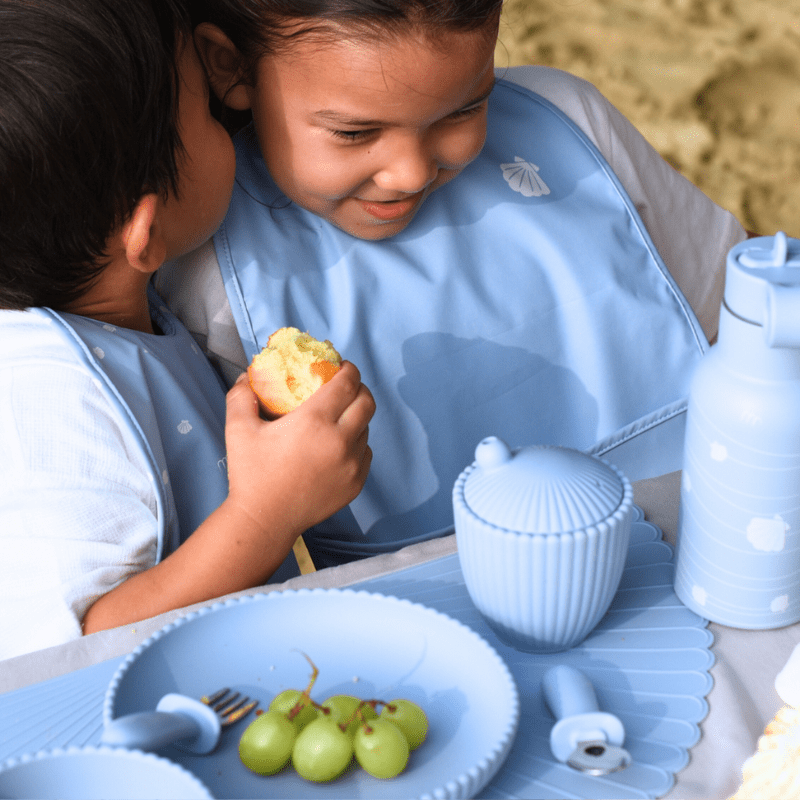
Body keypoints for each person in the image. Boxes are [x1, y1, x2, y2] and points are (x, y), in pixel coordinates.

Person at [156, 0, 748, 569]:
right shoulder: (208, 268)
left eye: (462, 111)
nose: (411, 172)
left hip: (720, 544)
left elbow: (742, 315)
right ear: (230, 66)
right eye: (355, 132)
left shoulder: (569, 119)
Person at [0, 0, 374, 660]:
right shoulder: (50, 401)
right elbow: (74, 651)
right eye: (205, 109)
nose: (228, 120)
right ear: (144, 234)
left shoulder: (114, 309)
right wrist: (266, 514)